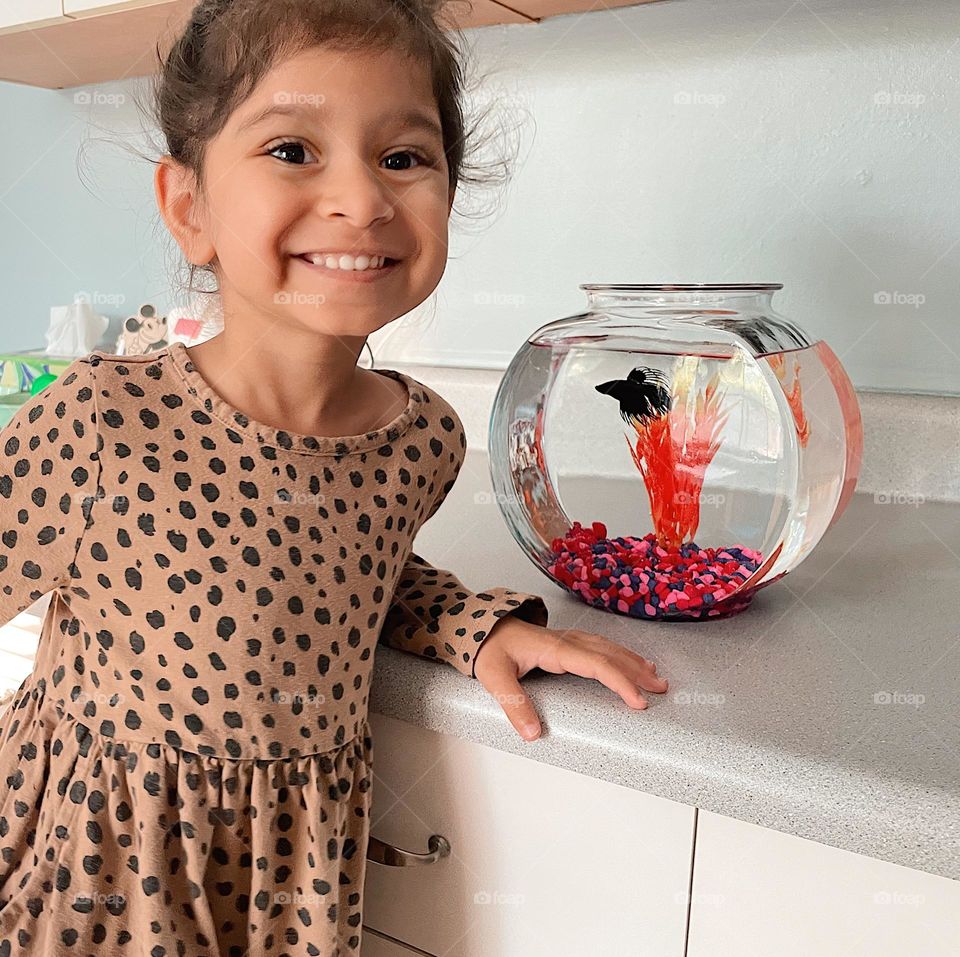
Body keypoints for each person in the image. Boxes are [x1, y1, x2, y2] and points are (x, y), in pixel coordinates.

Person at [0, 0, 667, 952]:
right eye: (290, 150)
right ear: (192, 208)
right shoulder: (103, 421)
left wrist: (475, 631)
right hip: (94, 884)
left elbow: (362, 576)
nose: (361, 197)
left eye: (403, 157)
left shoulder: (417, 438)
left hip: (289, 886)